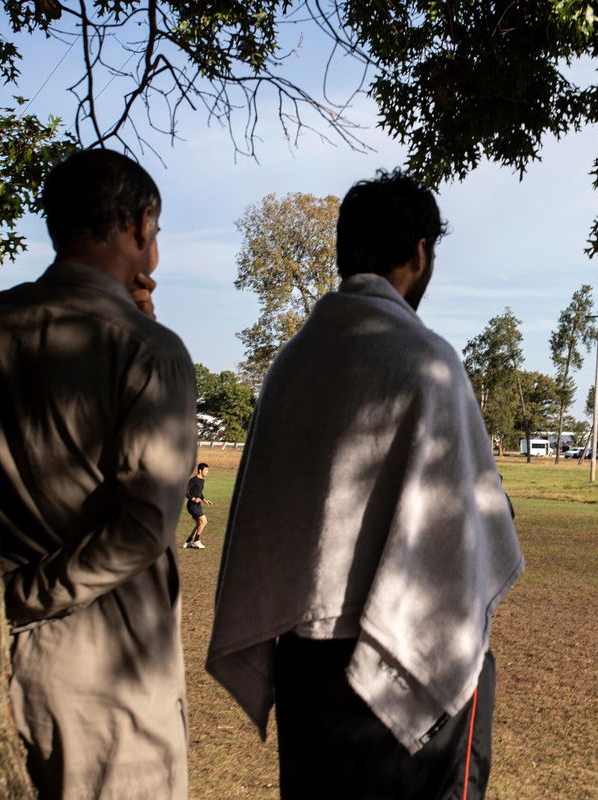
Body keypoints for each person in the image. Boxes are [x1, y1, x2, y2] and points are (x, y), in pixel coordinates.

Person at [206, 170, 524, 800]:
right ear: (419, 252)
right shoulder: (428, 361)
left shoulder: (293, 363)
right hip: (407, 657)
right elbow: (479, 521)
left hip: (306, 666)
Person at [0, 149, 195, 797]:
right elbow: (144, 526)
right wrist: (21, 599)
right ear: (139, 226)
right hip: (108, 684)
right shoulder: (148, 351)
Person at [183, 462, 212, 548]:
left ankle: (188, 542)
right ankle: (196, 541)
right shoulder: (193, 480)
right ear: (200, 470)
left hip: (197, 505)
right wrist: (193, 499)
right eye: (206, 470)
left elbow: (199, 492)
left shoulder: (202, 480)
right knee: (204, 521)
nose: (207, 472)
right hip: (192, 505)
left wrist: (204, 500)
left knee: (199, 524)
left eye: (208, 470)